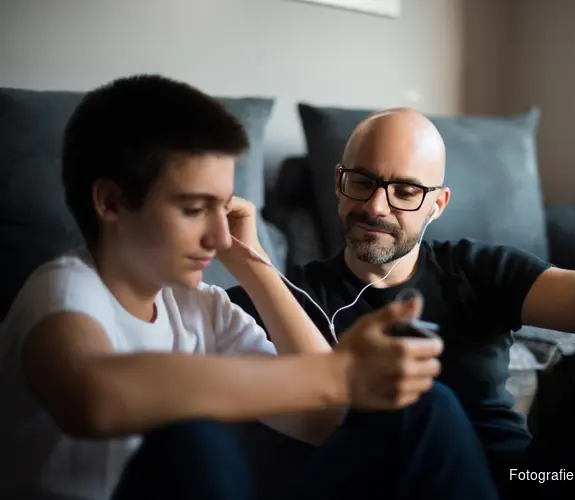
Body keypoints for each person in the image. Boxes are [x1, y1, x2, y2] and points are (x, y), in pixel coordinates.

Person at [0, 76, 503, 500]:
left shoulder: (201, 308)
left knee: (425, 409)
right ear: (110, 202)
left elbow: (326, 420)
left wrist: (255, 265)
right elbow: (95, 398)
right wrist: (338, 373)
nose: (220, 238)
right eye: (195, 208)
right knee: (194, 440)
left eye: (223, 208)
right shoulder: (63, 294)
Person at [228, 107, 575, 499]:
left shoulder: (476, 269)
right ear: (339, 185)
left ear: (437, 205)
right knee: (418, 403)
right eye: (362, 181)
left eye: (404, 190)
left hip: (530, 484)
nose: (376, 207)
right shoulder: (286, 301)